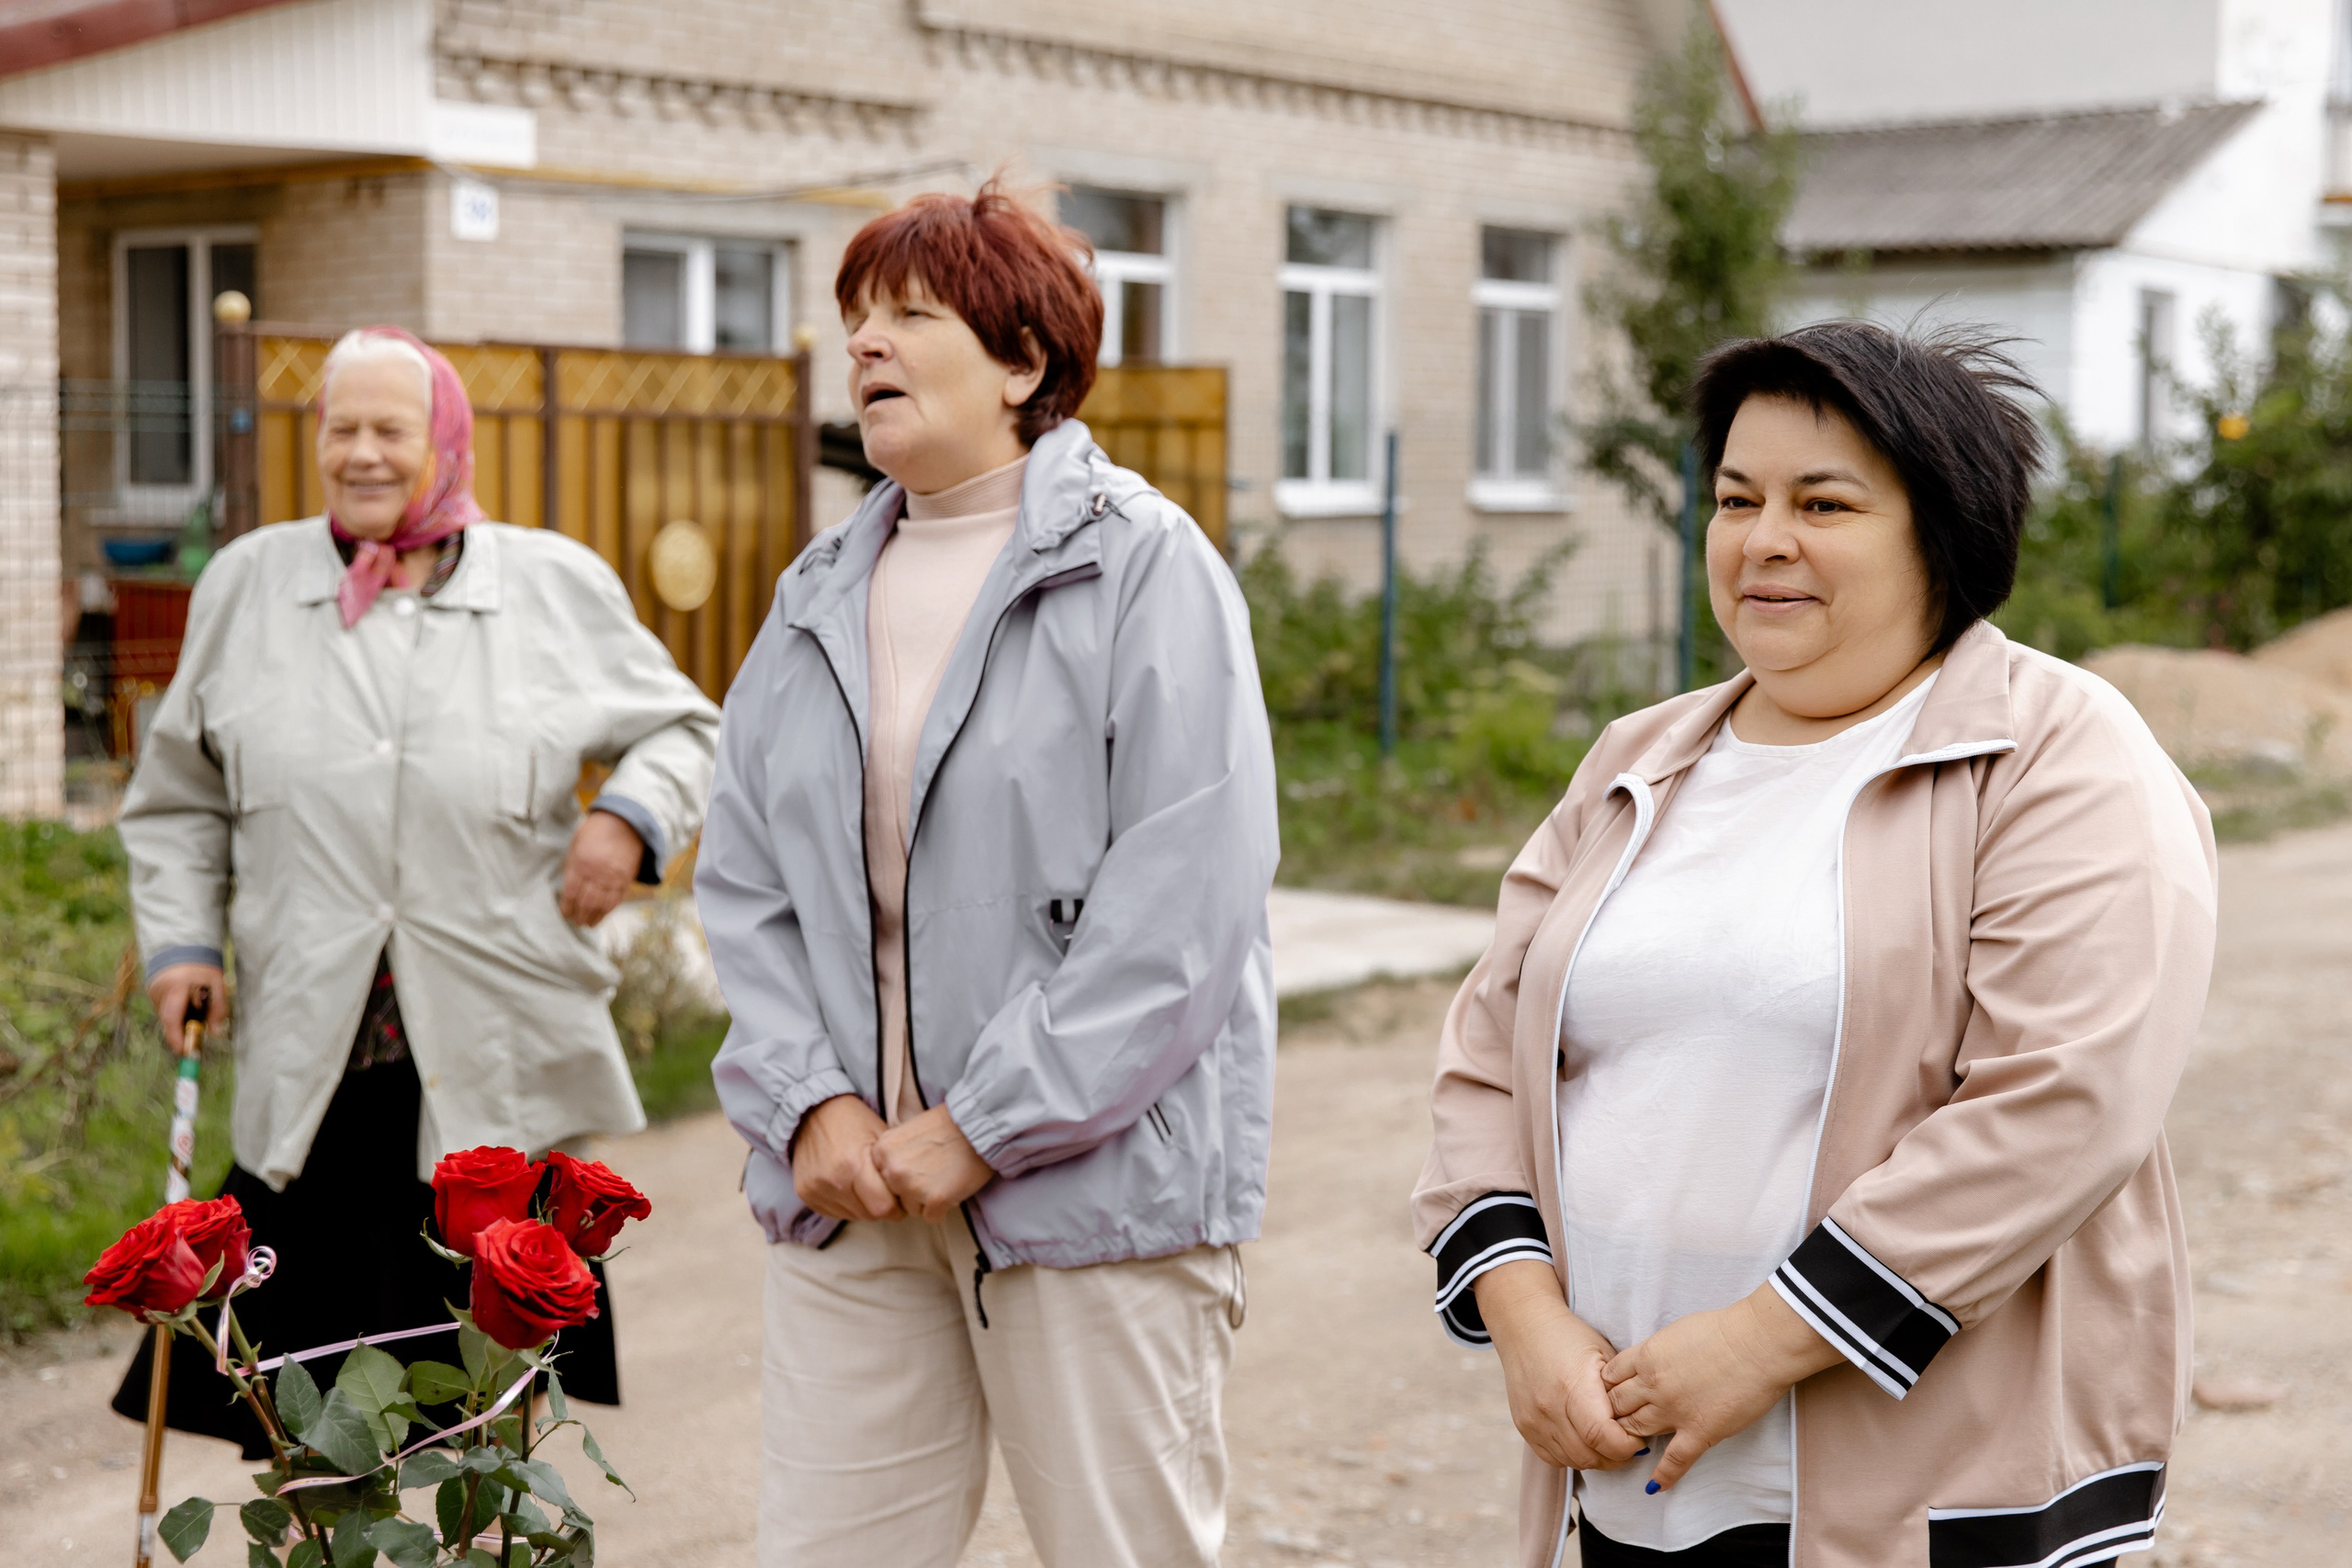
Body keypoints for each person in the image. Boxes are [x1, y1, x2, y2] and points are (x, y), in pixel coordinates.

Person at [1414, 321, 2218, 1567]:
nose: (1763, 539)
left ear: (1939, 531)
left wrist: (1761, 1341)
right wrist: (1523, 1314)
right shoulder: (1640, 757)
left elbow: (2065, 1099)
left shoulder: (2057, 751)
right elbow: (1488, 1055)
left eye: (1823, 503)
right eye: (1737, 499)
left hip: (1920, 1497)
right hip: (1629, 1465)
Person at [696, 182, 1277, 1568]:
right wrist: (809, 1100)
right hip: (855, 1194)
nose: (866, 345)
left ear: (1023, 361)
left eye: (910, 315)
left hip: (1088, 1191)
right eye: (857, 319)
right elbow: (747, 880)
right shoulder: (815, 590)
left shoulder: (1146, 568)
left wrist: (986, 1123)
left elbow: (1182, 910)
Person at [113, 326, 719, 1452]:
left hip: (490, 1066)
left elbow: (685, 729)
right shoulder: (250, 584)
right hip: (317, 1069)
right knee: (303, 1428)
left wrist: (625, 821)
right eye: (339, 428)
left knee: (482, 1429)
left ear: (444, 442)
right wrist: (183, 944)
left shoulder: (549, 586)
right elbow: (179, 798)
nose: (362, 453)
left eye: (391, 429)